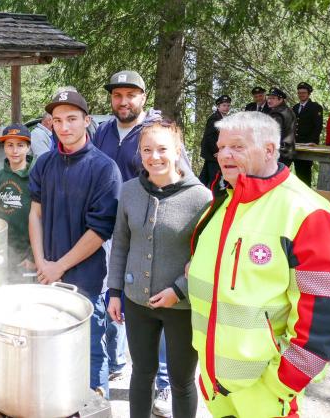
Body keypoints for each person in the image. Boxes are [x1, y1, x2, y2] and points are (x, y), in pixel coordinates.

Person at [188, 111, 330, 417]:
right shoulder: (222, 202)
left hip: (265, 392)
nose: (224, 155)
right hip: (216, 384)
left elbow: (323, 321)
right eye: (221, 148)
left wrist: (280, 383)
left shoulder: (307, 211)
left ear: (270, 150)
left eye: (237, 147)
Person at [93, 70, 184, 416]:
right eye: (117, 95)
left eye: (131, 94)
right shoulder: (102, 132)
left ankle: (162, 383)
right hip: (108, 232)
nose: (123, 101)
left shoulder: (155, 134)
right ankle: (116, 361)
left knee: (154, 305)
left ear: (143, 98)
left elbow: (181, 179)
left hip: (148, 235)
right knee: (112, 296)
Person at [108, 119, 211, 418]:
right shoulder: (129, 192)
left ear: (178, 151)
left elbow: (206, 258)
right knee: (141, 373)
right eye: (147, 150)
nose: (154, 157)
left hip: (181, 307)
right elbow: (121, 245)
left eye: (162, 149)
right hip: (137, 303)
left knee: (180, 381)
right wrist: (115, 291)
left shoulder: (200, 198)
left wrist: (179, 290)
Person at [29, 89, 122, 396]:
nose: (64, 127)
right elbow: (35, 214)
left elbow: (99, 231)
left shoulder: (104, 168)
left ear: (87, 120)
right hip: (48, 277)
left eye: (71, 119)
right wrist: (42, 262)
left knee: (90, 357)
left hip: (86, 281)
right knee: (53, 357)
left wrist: (59, 267)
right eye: (58, 120)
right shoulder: (44, 164)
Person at [0, 124, 34, 279]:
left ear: (28, 148)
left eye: (20, 145)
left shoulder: (35, 178)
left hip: (24, 254)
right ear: (4, 148)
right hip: (0, 249)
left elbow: (43, 220)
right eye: (10, 145)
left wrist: (33, 256)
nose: (15, 151)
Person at [292, 82, 323, 187]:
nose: (301, 95)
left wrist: (313, 141)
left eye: (304, 93)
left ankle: (307, 194)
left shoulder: (315, 107)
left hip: (308, 144)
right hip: (296, 144)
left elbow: (318, 126)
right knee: (298, 170)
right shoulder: (295, 107)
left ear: (309, 94)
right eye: (299, 93)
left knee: (305, 172)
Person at [199, 95, 231, 187]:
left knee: (205, 177)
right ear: (218, 106)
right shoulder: (214, 118)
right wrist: (218, 151)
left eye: (228, 105)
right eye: (224, 105)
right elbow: (210, 137)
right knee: (214, 178)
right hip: (212, 154)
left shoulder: (225, 119)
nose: (226, 108)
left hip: (216, 153)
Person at [266, 87, 296, 166]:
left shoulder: (277, 113)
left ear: (281, 99)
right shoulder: (288, 110)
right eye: (268, 98)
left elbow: (272, 134)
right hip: (286, 152)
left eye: (273, 98)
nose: (269, 101)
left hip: (278, 153)